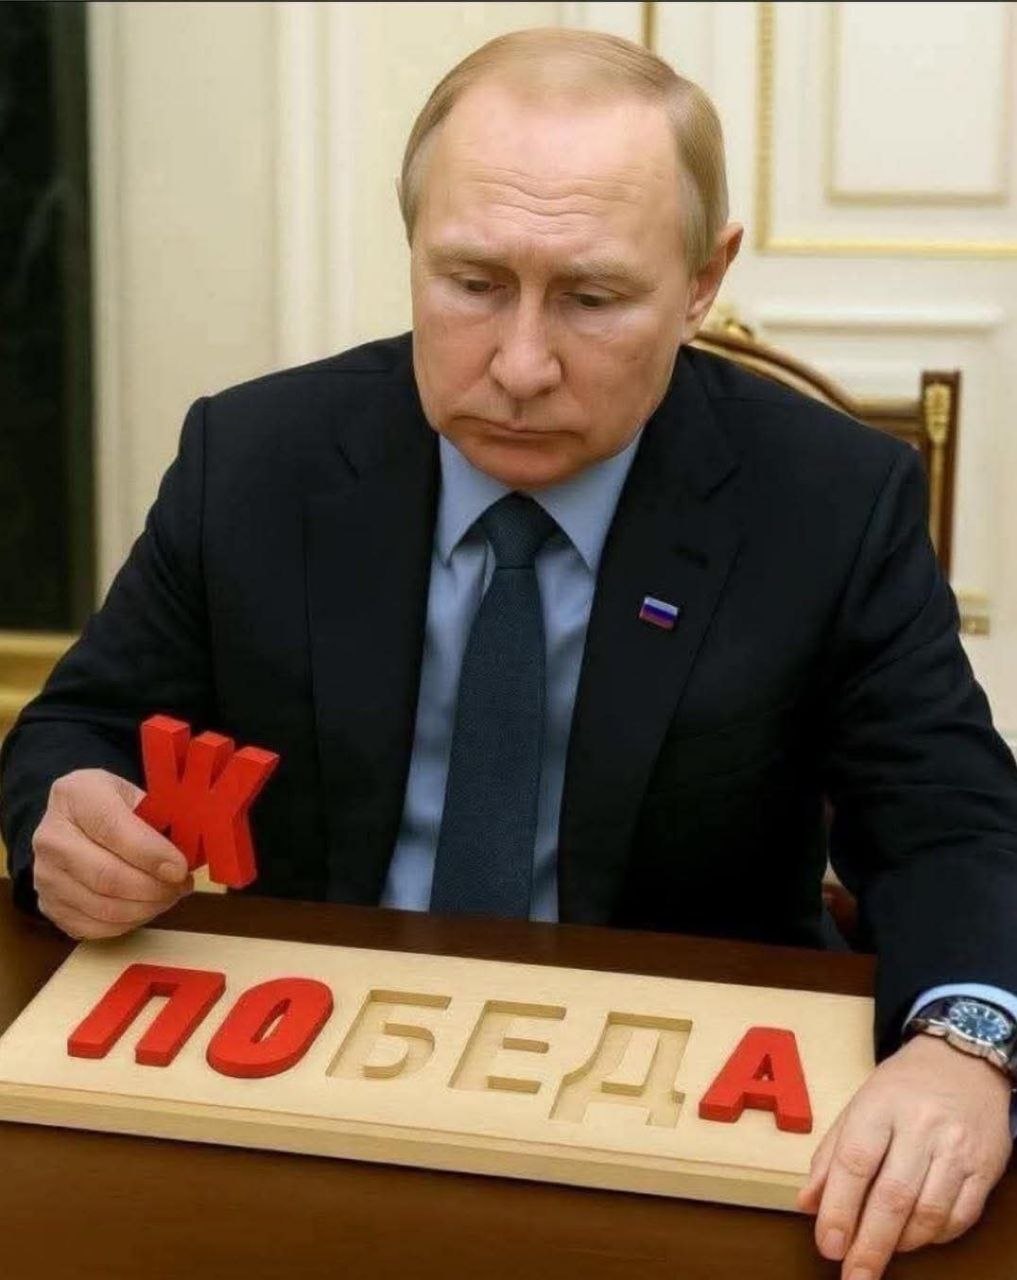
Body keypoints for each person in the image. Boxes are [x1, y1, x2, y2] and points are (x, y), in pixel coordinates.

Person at [3, 27, 1017, 1279]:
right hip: (308, 1078)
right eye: (473, 282)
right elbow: (80, 727)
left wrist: (965, 1044)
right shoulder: (255, 459)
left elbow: (951, 823)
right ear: (414, 247)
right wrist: (68, 813)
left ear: (703, 279)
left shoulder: (832, 501)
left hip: (671, 1112)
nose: (521, 365)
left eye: (592, 298)